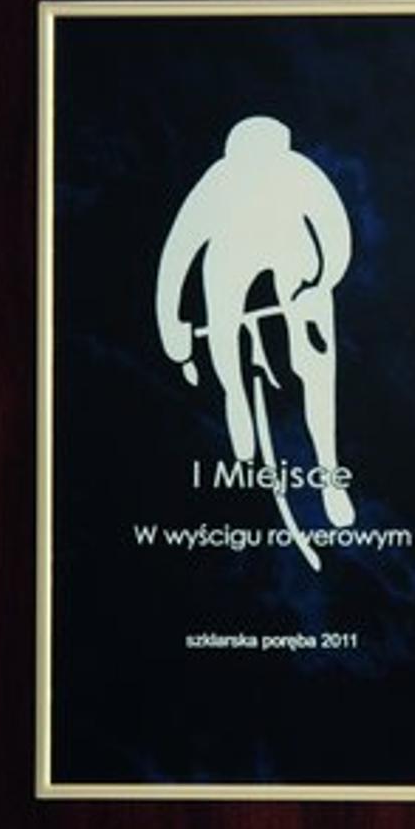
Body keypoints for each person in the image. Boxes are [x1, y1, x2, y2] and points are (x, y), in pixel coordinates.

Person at [155, 115, 355, 528]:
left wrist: (321, 282)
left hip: (298, 277)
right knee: (224, 324)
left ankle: (329, 471)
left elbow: (335, 232)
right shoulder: (219, 182)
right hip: (230, 274)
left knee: (316, 366)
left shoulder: (300, 173)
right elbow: (177, 256)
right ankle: (236, 396)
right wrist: (175, 334)